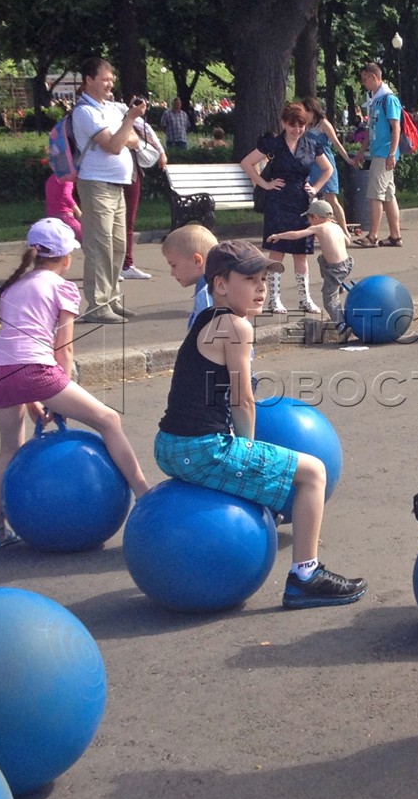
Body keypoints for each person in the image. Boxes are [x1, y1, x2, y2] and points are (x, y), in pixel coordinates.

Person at [155, 240, 368, 609]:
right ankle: (306, 575)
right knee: (314, 473)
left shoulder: (207, 318)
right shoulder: (236, 327)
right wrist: (248, 449)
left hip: (170, 444)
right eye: (250, 279)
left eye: (264, 280)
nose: (261, 288)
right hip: (201, 450)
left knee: (283, 469)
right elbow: (243, 400)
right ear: (220, 285)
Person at [0, 219, 150, 549]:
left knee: (9, 449)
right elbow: (64, 349)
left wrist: (35, 402)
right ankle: (144, 495)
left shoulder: (14, 286)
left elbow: (14, 350)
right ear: (67, 258)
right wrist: (54, 392)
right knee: (109, 421)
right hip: (37, 369)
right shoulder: (63, 287)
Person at [240, 101, 334, 315]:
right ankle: (273, 299)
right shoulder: (273, 144)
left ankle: (305, 299)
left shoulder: (311, 144)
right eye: (292, 125)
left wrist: (315, 188)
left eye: (301, 125)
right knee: (278, 250)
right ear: (283, 123)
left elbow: (327, 169)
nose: (297, 130)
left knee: (301, 252)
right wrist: (264, 184)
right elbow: (246, 162)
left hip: (301, 201)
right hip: (278, 201)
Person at [70, 56, 145, 323]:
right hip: (96, 184)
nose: (110, 83)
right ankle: (97, 305)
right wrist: (129, 121)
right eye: (104, 79)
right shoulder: (85, 112)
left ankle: (111, 299)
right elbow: (113, 145)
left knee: (117, 245)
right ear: (88, 80)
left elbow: (134, 140)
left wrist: (124, 127)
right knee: (99, 245)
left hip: (117, 185)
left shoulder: (113, 109)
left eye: (112, 79)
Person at [266, 199, 353, 330]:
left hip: (335, 270)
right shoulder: (336, 226)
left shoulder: (318, 227)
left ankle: (341, 325)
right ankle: (339, 285)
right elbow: (347, 242)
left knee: (329, 299)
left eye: (309, 218)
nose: (309, 222)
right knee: (321, 259)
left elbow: (296, 235)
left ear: (316, 217)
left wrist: (278, 235)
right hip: (348, 263)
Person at [350, 62, 404, 248]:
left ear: (374, 77)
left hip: (384, 154)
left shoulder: (388, 99)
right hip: (379, 152)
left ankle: (372, 236)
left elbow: (396, 127)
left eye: (365, 79)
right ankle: (395, 236)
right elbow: (371, 130)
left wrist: (391, 153)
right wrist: (361, 152)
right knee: (389, 195)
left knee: (376, 194)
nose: (364, 83)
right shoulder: (376, 100)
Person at [121, 108, 165, 282]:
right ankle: (113, 265)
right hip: (107, 176)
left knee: (127, 221)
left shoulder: (121, 111)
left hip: (130, 172)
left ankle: (126, 264)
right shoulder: (92, 113)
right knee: (110, 224)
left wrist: (160, 151)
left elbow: (144, 131)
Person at [301, 96, 352, 232]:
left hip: (325, 162)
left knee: (331, 198)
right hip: (310, 164)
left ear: (313, 111)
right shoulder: (305, 125)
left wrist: (348, 159)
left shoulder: (323, 124)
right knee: (309, 198)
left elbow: (336, 143)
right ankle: (314, 229)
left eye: (307, 112)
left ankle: (344, 230)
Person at [161, 223, 219, 331]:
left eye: (174, 265)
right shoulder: (219, 286)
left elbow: (206, 336)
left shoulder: (207, 294)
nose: (172, 273)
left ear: (197, 261)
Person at [45, 165, 82, 240]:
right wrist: (78, 212)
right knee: (86, 238)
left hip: (51, 216)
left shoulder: (50, 179)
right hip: (65, 216)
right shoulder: (67, 178)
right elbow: (66, 196)